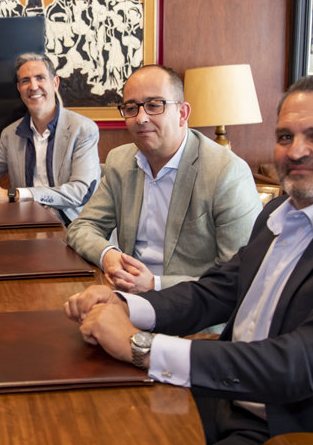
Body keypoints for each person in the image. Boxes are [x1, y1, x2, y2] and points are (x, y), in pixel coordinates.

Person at [64, 75, 313, 445]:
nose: (296, 151)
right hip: (223, 396)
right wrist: (126, 305)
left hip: (294, 432)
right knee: (88, 423)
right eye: (285, 137)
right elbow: (216, 291)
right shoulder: (279, 211)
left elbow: (304, 360)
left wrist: (140, 345)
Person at [66, 65, 260, 292]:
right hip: (127, 297)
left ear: (183, 113)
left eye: (154, 105)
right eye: (131, 108)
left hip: (195, 313)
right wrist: (109, 255)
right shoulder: (120, 161)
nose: (141, 118)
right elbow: (82, 227)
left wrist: (154, 284)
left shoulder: (227, 173)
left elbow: (239, 275)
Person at [0, 52, 100, 222]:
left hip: (73, 228)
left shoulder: (82, 129)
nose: (33, 86)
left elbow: (80, 192)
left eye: (40, 78)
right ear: (19, 89)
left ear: (55, 83)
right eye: (25, 81)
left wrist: (14, 195)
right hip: (25, 225)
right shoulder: (11, 134)